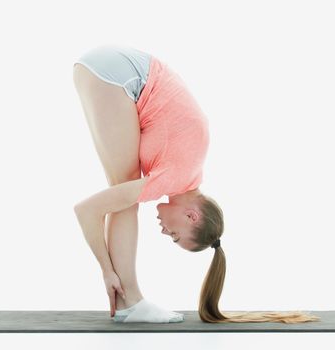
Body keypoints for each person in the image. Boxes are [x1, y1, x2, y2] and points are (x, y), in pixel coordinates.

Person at [72, 44, 320, 324]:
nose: (165, 233)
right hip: (121, 75)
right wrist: (106, 270)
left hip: (109, 69)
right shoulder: (174, 176)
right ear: (192, 216)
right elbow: (86, 210)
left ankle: (130, 301)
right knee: (125, 197)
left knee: (122, 194)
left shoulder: (186, 169)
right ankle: (132, 301)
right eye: (175, 236)